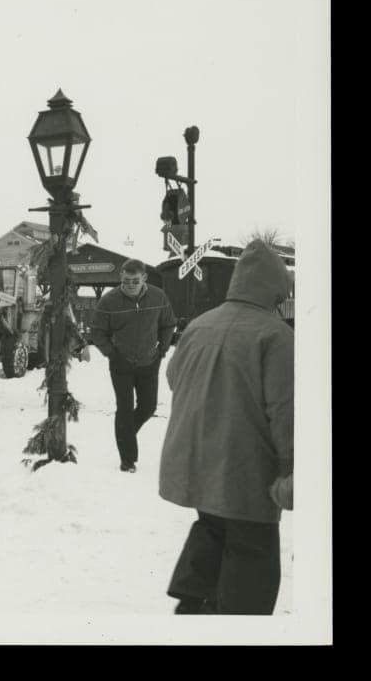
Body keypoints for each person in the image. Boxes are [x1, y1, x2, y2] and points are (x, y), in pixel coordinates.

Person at [158, 239, 294, 615]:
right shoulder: (275, 335)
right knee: (251, 567)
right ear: (275, 289)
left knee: (214, 530)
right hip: (247, 472)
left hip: (200, 465)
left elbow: (174, 377)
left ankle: (192, 604)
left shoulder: (200, 325)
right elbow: (286, 411)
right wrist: (291, 471)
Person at [89, 258, 176, 472]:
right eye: (126, 280)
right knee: (125, 409)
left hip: (149, 361)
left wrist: (162, 350)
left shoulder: (158, 297)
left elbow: (168, 324)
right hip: (121, 363)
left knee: (149, 407)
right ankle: (127, 460)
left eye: (134, 281)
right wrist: (111, 354)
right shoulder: (109, 301)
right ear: (120, 277)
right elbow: (97, 331)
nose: (129, 285)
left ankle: (125, 433)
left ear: (144, 278)